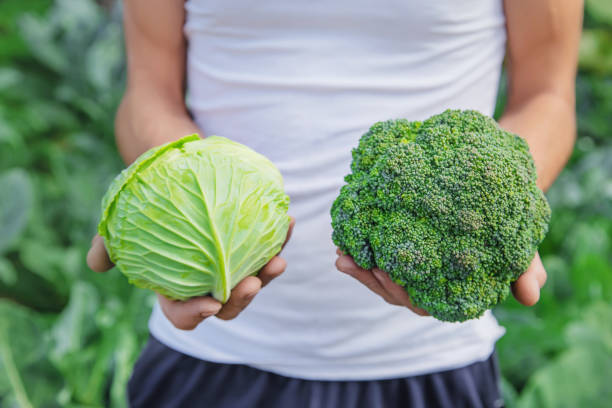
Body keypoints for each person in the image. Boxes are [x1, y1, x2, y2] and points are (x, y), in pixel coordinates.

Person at [87, 1, 583, 406]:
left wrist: (495, 198)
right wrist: (173, 211)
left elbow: (548, 96)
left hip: (431, 362)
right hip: (208, 349)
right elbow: (149, 93)